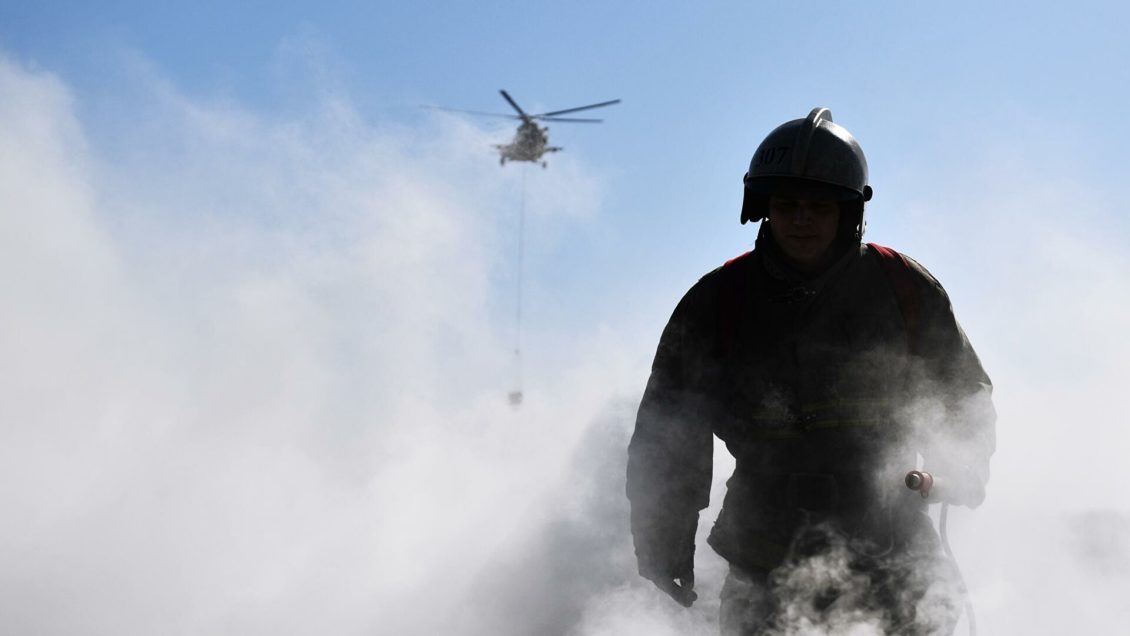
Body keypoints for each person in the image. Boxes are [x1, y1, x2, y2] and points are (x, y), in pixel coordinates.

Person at [626, 108, 995, 635]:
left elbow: (963, 393)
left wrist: (956, 474)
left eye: (819, 207)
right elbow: (668, 432)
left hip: (895, 561)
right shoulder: (718, 302)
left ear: (848, 212)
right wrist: (663, 543)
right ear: (763, 208)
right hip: (764, 564)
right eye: (788, 205)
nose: (802, 219)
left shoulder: (904, 290)